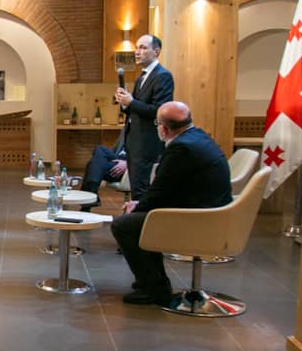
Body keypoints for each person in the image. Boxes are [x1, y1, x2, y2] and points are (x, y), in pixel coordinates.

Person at [111, 102, 232, 306]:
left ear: (164, 128)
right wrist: (142, 204)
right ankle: (155, 284)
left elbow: (160, 192)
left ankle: (153, 289)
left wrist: (137, 207)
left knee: (124, 225)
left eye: (157, 124)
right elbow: (171, 189)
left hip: (201, 220)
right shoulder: (199, 136)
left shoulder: (180, 148)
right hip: (214, 212)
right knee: (141, 219)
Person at [114, 34, 174, 199]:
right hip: (134, 142)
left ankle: (141, 216)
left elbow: (160, 111)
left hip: (147, 143)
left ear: (156, 51)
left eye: (143, 48)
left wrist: (131, 102)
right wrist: (124, 103)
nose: (137, 52)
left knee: (142, 191)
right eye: (137, 47)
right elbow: (134, 109)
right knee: (136, 190)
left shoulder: (162, 76)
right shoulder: (141, 77)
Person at [79, 130, 128, 211]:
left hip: (128, 166)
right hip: (117, 159)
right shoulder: (127, 129)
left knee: (92, 163)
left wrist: (127, 164)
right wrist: (102, 159)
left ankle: (89, 200)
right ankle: (90, 197)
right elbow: (114, 149)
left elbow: (145, 159)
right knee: (97, 154)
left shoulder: (144, 133)